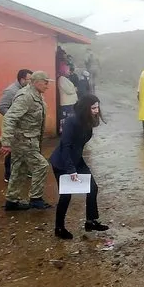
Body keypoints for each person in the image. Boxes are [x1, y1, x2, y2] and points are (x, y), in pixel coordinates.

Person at [50, 94, 109, 239]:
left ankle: (91, 221)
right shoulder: (72, 121)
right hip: (62, 162)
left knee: (93, 188)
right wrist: (71, 170)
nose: (97, 110)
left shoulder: (87, 121)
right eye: (93, 108)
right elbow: (66, 146)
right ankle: (59, 228)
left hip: (77, 159)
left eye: (97, 107)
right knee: (65, 196)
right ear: (85, 108)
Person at [0, 71, 53, 211]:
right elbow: (9, 118)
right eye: (45, 82)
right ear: (36, 82)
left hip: (30, 139)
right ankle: (36, 199)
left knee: (19, 169)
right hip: (24, 140)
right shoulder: (26, 96)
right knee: (41, 165)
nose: (48, 86)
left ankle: (11, 201)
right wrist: (5, 141)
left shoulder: (37, 95)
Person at [0, 69, 32, 183]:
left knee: (24, 149)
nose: (31, 82)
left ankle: (24, 171)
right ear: (22, 80)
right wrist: (14, 118)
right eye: (29, 80)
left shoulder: (27, 90)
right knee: (11, 152)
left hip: (24, 128)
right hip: (14, 127)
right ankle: (8, 175)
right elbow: (1, 107)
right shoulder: (11, 91)